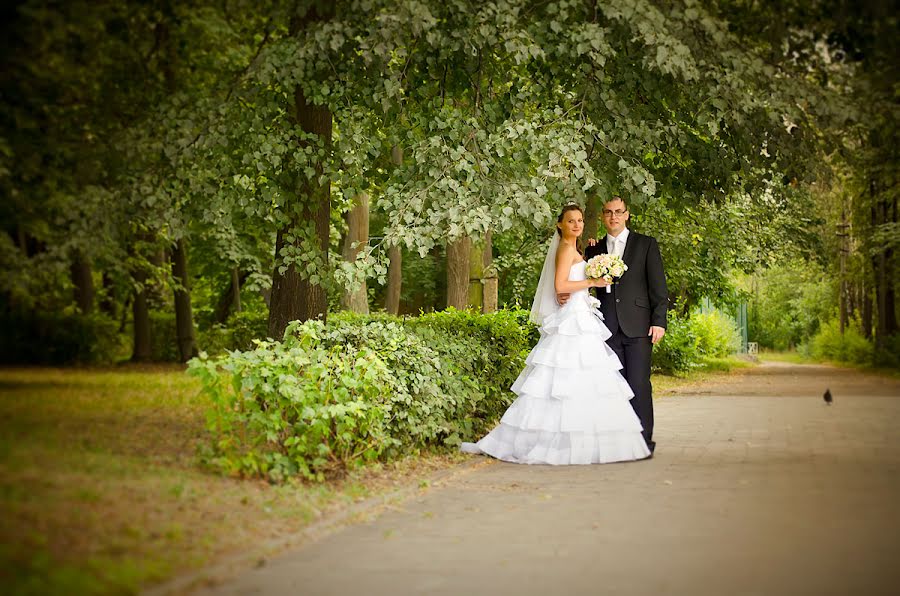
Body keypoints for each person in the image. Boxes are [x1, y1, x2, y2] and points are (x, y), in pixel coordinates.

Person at [460, 204, 651, 464]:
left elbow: (567, 285)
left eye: (580, 220)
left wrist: (585, 283)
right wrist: (592, 282)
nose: (576, 225)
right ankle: (549, 442)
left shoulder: (577, 249)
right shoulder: (564, 248)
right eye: (570, 221)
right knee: (560, 382)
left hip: (581, 315)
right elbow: (560, 285)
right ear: (559, 224)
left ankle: (583, 440)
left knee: (583, 381)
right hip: (572, 321)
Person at [579, 196, 668, 455]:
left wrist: (659, 321)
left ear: (627, 214)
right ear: (603, 216)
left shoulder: (645, 244)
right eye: (608, 212)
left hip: (639, 326)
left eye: (618, 212)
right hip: (607, 327)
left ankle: (643, 443)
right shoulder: (593, 251)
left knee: (639, 384)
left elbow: (659, 287)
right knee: (612, 386)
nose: (613, 217)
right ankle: (617, 443)